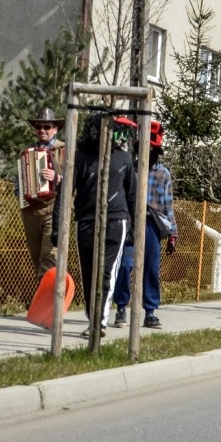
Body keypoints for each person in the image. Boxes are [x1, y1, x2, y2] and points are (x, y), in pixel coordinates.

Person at [70, 113, 137, 332]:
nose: (114, 133)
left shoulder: (124, 158)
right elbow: (66, 191)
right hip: (86, 220)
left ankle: (99, 321)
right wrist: (57, 223)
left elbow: (133, 195)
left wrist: (135, 227)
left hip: (116, 221)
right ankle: (93, 316)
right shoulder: (81, 157)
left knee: (108, 272)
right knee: (89, 273)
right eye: (108, 128)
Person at [114, 121, 177, 330]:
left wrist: (172, 233)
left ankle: (150, 311)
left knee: (150, 268)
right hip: (131, 222)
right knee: (125, 265)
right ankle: (121, 306)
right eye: (143, 147)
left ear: (157, 149)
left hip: (152, 224)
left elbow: (168, 204)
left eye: (151, 148)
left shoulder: (163, 174)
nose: (147, 151)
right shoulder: (129, 168)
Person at [16, 107, 64, 288]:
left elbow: (75, 179)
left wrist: (58, 178)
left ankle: (49, 302)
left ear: (55, 129)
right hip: (31, 211)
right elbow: (19, 179)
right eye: (38, 127)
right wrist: (21, 196)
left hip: (54, 209)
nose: (42, 130)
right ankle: (49, 295)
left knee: (49, 256)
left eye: (47, 126)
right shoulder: (27, 153)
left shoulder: (64, 151)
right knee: (36, 257)